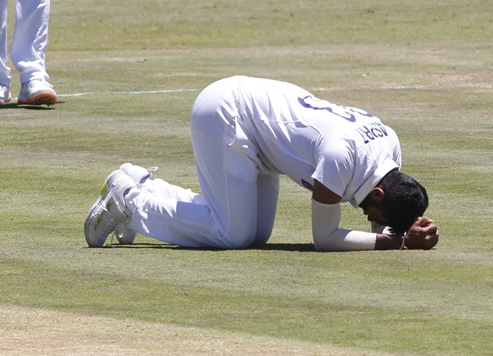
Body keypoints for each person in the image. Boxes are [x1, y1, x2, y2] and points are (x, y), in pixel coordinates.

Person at [84, 76, 439, 252]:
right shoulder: (339, 156)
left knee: (255, 234)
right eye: (375, 215)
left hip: (261, 133)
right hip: (228, 112)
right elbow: (325, 238)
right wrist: (395, 242)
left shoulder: (390, 147)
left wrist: (402, 231)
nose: (369, 219)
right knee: (233, 234)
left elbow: (380, 225)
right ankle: (129, 200)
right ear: (378, 193)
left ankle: (146, 186)